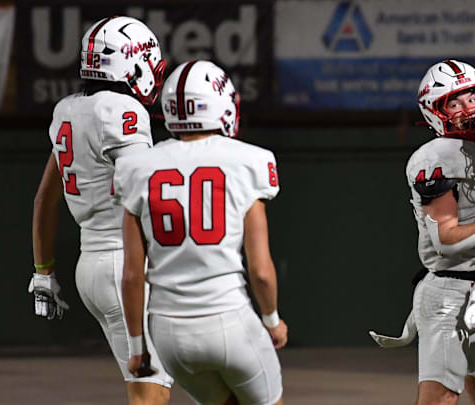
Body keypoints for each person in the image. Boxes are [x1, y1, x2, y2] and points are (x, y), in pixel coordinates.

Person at [114, 60, 287, 405]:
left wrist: (138, 348)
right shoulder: (248, 161)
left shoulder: (136, 167)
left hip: (166, 332)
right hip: (229, 320)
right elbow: (261, 271)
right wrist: (272, 320)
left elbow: (133, 275)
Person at [28, 16, 172, 404]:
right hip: (126, 265)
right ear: (134, 63)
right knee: (150, 395)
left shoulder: (68, 111)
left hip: (90, 266)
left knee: (160, 382)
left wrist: (43, 272)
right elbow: (147, 193)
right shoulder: (122, 112)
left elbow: (45, 198)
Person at [370, 60, 475, 405]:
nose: (468, 109)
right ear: (435, 112)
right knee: (440, 399)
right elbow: (446, 241)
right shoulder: (435, 156)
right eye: (454, 102)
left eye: (472, 98)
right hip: (448, 291)